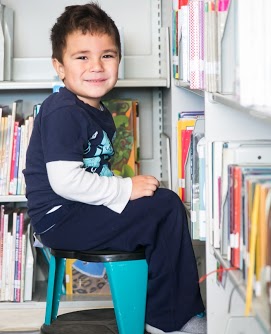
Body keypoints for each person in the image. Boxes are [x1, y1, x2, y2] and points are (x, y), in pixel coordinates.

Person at [23, 3, 206, 334]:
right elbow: (66, 181)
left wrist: (130, 190)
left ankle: (170, 310)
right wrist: (126, 190)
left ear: (119, 60)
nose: (96, 66)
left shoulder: (97, 111)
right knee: (165, 208)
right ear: (59, 66)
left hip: (76, 212)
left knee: (161, 203)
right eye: (82, 57)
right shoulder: (62, 111)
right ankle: (169, 320)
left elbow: (95, 173)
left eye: (107, 55)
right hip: (61, 217)